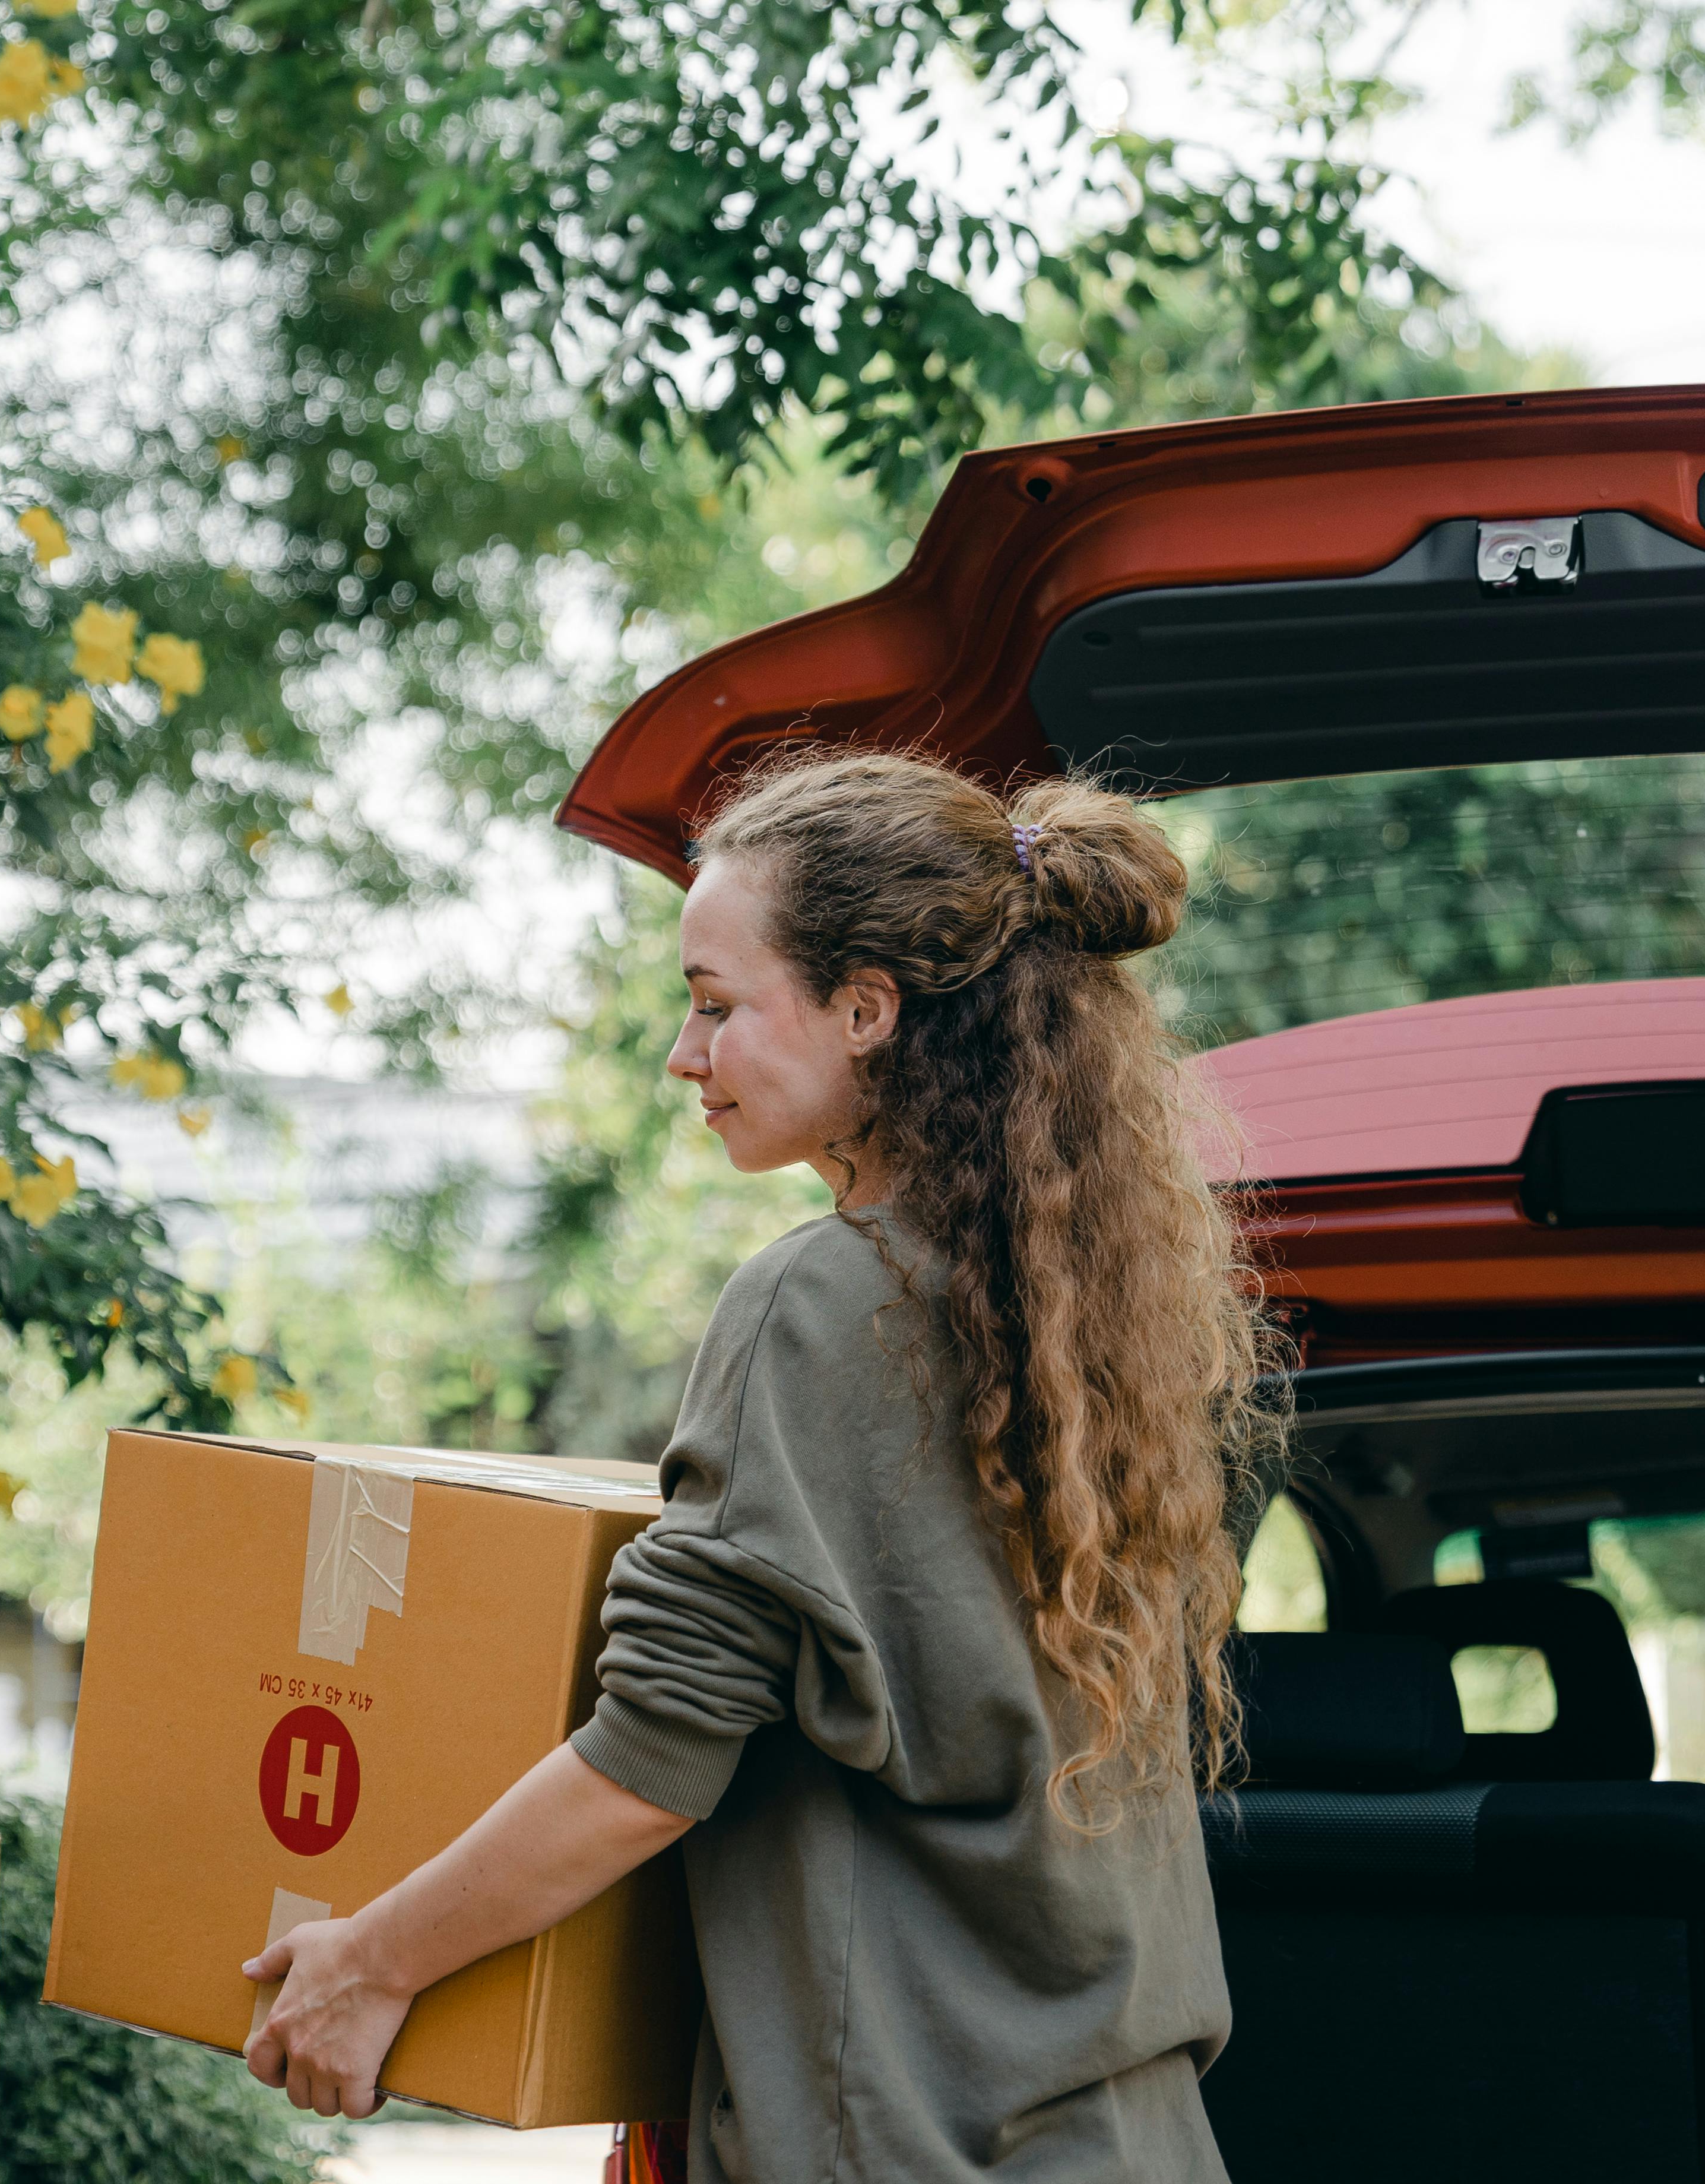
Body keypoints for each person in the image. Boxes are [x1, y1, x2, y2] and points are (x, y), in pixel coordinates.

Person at [242, 749, 1284, 2180]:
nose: (684, 1057)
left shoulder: (819, 1301)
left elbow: (654, 1758)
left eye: (715, 1007)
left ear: (866, 1011)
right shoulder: (1100, 1332)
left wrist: (368, 1963)